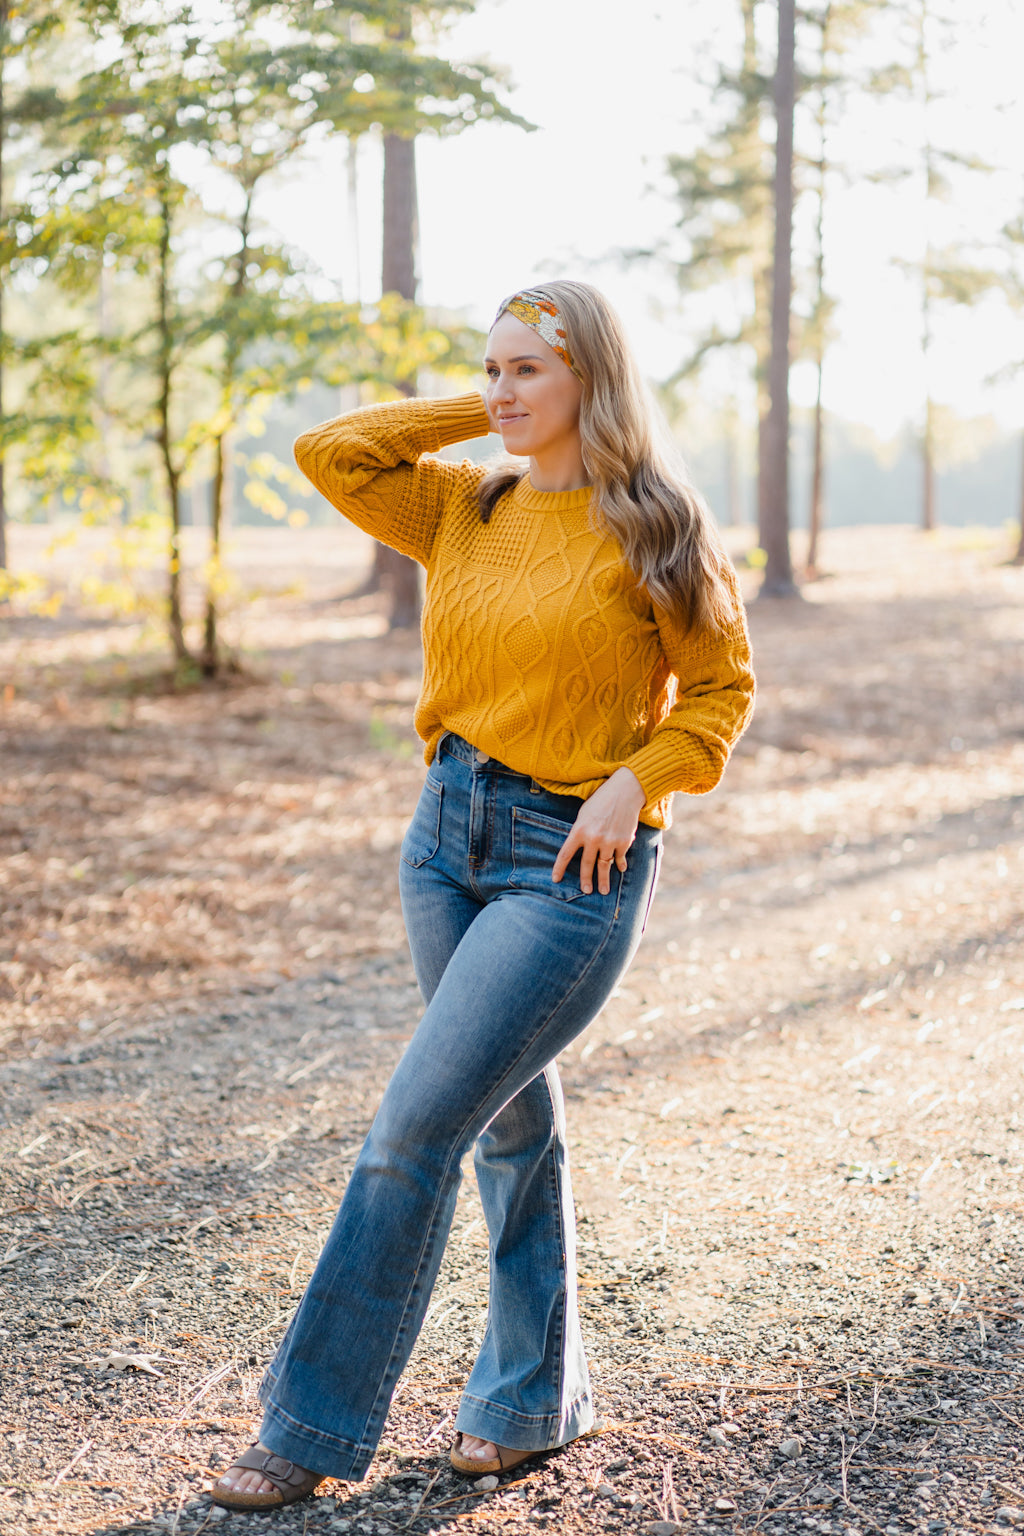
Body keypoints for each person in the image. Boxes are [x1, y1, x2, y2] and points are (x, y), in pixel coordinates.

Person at [210, 280, 755, 1511]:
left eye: (529, 372)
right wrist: (490, 410)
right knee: (506, 1120)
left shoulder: (657, 523)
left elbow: (722, 691)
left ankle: (306, 1427)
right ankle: (530, 1399)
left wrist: (639, 779)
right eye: (490, 368)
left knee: (413, 1129)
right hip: (443, 839)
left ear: (592, 384)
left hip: (573, 863)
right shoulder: (464, 503)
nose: (501, 390)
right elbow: (329, 450)